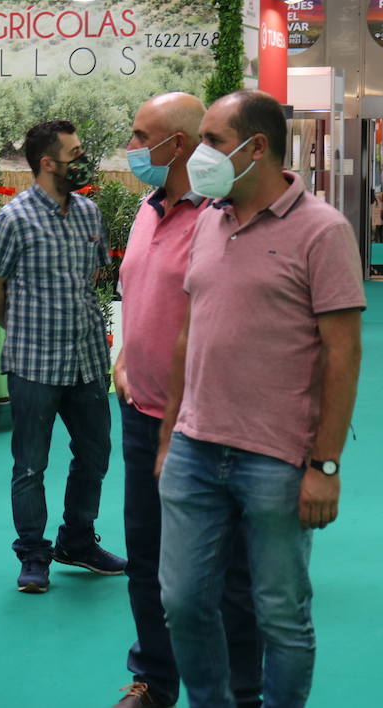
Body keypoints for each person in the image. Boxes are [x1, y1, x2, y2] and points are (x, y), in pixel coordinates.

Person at [158, 90, 364, 708]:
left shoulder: (323, 230)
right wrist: (169, 436)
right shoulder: (207, 221)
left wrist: (325, 465)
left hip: (276, 456)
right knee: (183, 601)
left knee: (280, 612)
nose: (200, 154)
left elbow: (343, 353)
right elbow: (189, 334)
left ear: (257, 148)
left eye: (213, 141)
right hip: (195, 448)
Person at [111, 94, 261, 708]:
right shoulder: (146, 210)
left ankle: (239, 692)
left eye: (139, 135)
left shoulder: (220, 217)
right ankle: (154, 679)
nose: (130, 146)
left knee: (226, 573)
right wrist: (125, 355)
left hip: (207, 425)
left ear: (175, 145)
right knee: (146, 558)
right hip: (140, 415)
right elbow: (140, 293)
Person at [0, 119, 126, 595]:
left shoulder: (88, 214)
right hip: (33, 364)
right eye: (74, 153)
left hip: (87, 360)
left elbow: (94, 278)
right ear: (47, 163)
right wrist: (21, 328)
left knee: (95, 454)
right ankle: (33, 555)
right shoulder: (11, 220)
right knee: (30, 464)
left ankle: (77, 541)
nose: (83, 160)